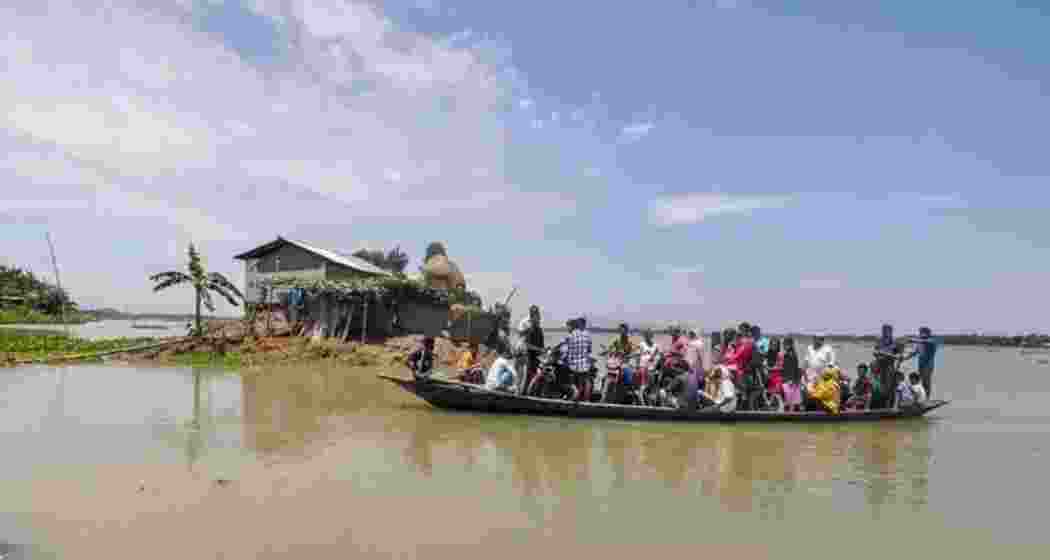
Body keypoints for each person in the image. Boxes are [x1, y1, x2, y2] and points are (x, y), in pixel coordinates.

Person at [555, 316, 594, 396]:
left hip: (574, 363)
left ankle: (564, 390)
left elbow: (562, 345)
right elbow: (589, 350)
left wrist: (554, 349)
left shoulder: (572, 335)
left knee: (560, 369)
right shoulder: (586, 335)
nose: (567, 327)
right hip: (582, 362)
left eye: (568, 325)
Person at [902, 327, 939, 398]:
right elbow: (914, 352)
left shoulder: (932, 340)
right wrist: (905, 358)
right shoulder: (920, 342)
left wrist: (913, 340)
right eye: (920, 332)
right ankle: (920, 397)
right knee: (918, 382)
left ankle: (927, 398)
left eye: (923, 332)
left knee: (926, 383)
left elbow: (927, 341)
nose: (921, 334)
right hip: (920, 365)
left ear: (928, 333)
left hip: (928, 365)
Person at [874, 324, 900, 408]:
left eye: (887, 331)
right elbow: (875, 352)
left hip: (890, 366)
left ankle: (889, 405)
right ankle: (882, 405)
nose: (885, 332)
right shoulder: (879, 341)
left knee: (890, 386)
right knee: (880, 386)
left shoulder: (894, 342)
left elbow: (898, 355)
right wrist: (882, 354)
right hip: (880, 366)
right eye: (883, 330)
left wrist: (883, 354)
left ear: (891, 332)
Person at [781, 337, 803, 412]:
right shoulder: (789, 353)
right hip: (789, 378)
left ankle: (791, 413)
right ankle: (791, 412)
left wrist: (792, 379)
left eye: (786, 344)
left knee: (791, 398)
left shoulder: (791, 354)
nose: (784, 346)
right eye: (784, 344)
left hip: (790, 379)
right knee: (791, 398)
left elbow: (793, 367)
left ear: (790, 345)